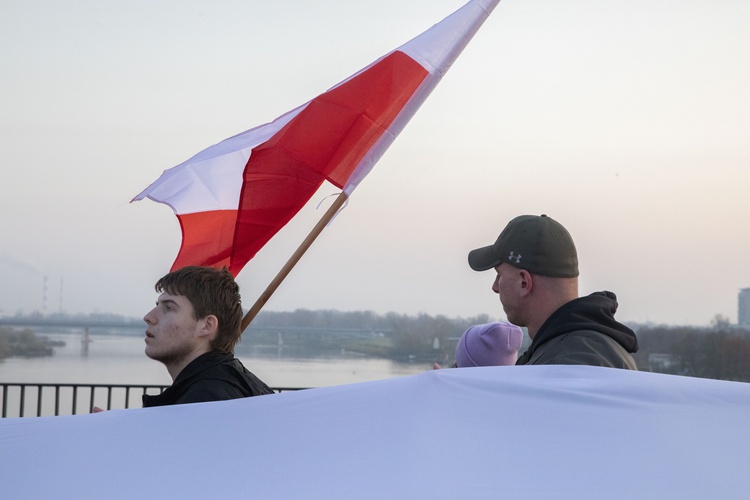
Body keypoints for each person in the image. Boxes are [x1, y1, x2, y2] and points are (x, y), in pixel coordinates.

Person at [467, 214, 638, 369]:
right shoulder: (580, 349)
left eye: (499, 275)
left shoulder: (565, 365)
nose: (495, 287)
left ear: (524, 283)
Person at [141, 266, 274, 407]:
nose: (149, 317)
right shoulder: (234, 387)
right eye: (157, 305)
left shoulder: (205, 402)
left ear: (207, 325)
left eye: (169, 308)